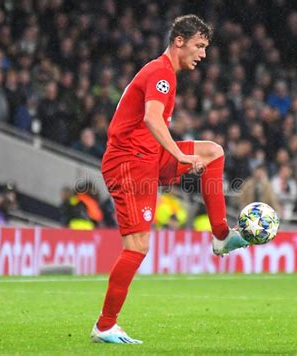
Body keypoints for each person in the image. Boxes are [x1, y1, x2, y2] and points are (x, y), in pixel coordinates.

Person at [91, 15, 251, 344]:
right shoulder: (160, 72)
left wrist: (174, 154)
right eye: (199, 46)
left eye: (205, 47)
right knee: (137, 245)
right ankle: (105, 326)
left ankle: (221, 235)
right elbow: (151, 117)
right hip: (129, 163)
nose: (203, 54)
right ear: (179, 41)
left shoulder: (166, 75)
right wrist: (178, 155)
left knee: (213, 152)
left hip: (149, 157)